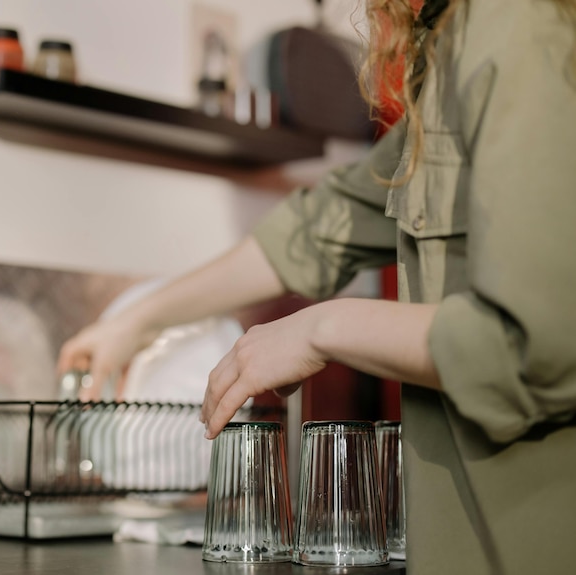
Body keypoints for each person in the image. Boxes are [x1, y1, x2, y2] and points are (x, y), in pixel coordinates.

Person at [57, 0, 576, 572]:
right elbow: (323, 226)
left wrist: (321, 329)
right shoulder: (449, 45)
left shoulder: (515, 21)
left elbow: (536, 340)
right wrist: (141, 319)